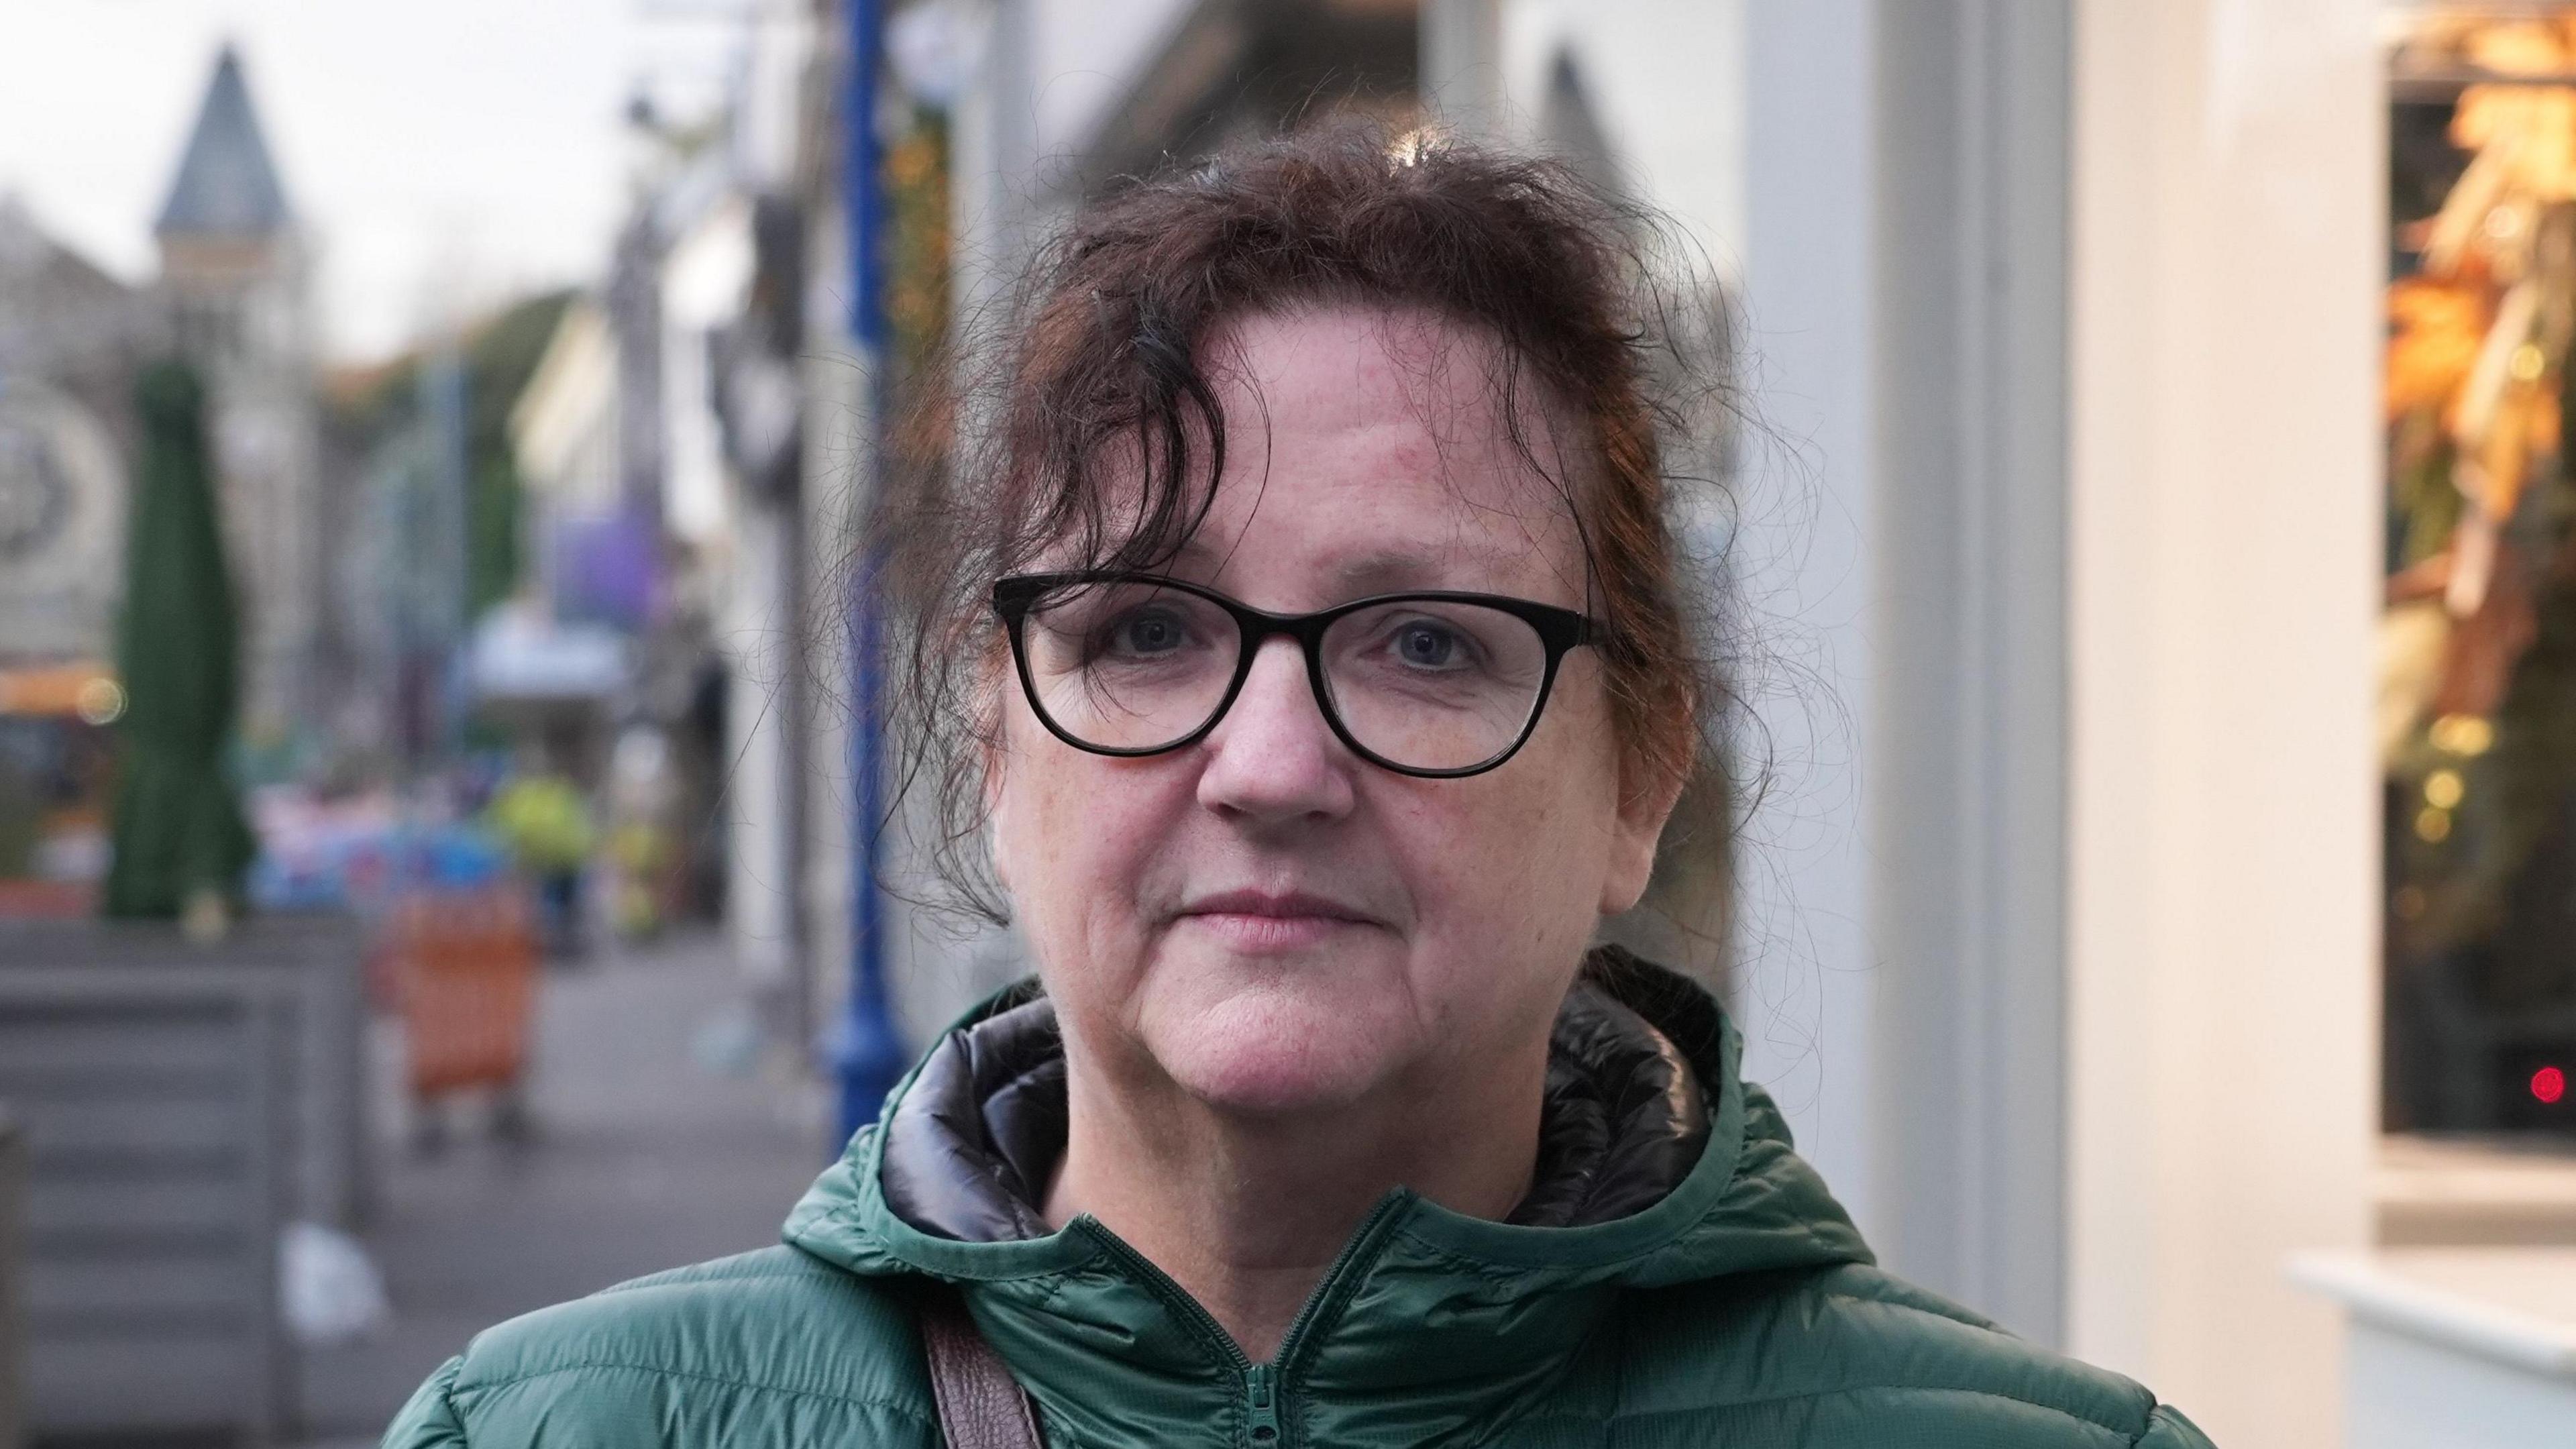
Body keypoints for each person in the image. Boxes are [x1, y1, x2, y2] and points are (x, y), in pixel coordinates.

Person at [386, 123, 2214, 1448]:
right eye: (1145, 635)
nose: (1269, 767)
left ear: (1639, 780)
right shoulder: (551, 1431)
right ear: (995, 739)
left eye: (1428, 644)